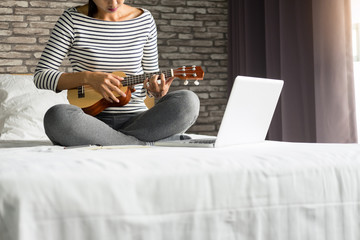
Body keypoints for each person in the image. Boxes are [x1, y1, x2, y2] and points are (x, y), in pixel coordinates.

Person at [34, 0, 200, 146]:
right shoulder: (71, 20)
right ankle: (137, 144)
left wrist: (156, 91)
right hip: (88, 123)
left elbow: (150, 79)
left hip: (138, 121)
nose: (113, 3)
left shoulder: (144, 20)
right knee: (56, 116)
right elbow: (41, 76)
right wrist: (88, 77)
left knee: (188, 101)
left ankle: (113, 143)